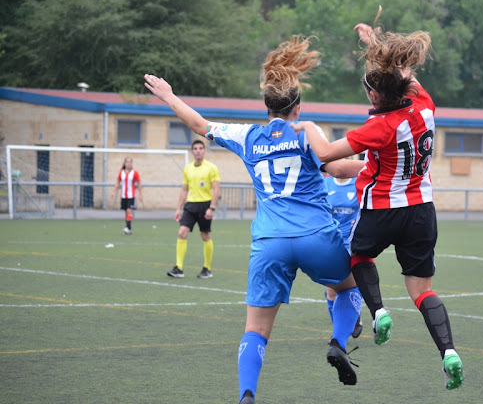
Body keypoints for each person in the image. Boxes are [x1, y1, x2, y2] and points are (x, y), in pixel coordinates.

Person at [144, 36, 365, 404]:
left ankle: (247, 395)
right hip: (316, 235)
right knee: (351, 287)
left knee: (256, 329)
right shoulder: (307, 133)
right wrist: (380, 168)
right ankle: (338, 343)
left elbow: (200, 125)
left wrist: (169, 96)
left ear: (267, 106)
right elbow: (339, 165)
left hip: (270, 242)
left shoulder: (247, 136)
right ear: (298, 107)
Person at [291, 22, 464, 390]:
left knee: (357, 256)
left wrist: (307, 126)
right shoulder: (425, 105)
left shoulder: (379, 127)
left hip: (383, 209)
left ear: (373, 96)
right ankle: (449, 352)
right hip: (422, 210)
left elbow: (325, 155)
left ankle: (379, 311)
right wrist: (375, 44)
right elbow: (404, 73)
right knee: (422, 291)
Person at [167, 140, 221, 279]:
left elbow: (216, 189)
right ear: (192, 151)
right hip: (190, 205)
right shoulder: (187, 168)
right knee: (182, 233)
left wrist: (212, 208)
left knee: (205, 236)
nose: (198, 151)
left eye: (200, 148)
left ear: (204, 151)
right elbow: (185, 189)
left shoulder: (211, 168)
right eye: (195, 148)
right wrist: (179, 208)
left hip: (205, 205)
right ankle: (179, 268)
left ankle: (207, 269)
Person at [324, 175, 363, 339]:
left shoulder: (358, 183)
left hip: (353, 242)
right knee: (331, 290)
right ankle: (339, 333)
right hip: (331, 242)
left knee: (353, 284)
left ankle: (352, 321)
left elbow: (367, 207)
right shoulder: (325, 184)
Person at [110, 157, 142, 235]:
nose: (128, 163)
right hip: (124, 195)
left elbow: (138, 184)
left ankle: (127, 228)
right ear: (125, 163)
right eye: (127, 162)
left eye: (130, 162)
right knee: (126, 212)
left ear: (132, 163)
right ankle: (129, 228)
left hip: (131, 195)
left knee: (129, 211)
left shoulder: (135, 173)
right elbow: (118, 182)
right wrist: (113, 191)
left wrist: (140, 194)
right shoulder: (121, 172)